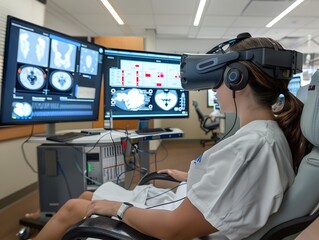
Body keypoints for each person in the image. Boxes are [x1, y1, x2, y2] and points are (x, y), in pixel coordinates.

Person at [31, 34, 312, 240]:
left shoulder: (253, 146)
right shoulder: (264, 136)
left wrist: (118, 209)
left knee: (73, 207)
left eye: (219, 78)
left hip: (176, 224)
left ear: (236, 79)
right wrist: (192, 177)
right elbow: (246, 187)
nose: (214, 88)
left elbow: (174, 229)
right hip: (185, 208)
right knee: (87, 196)